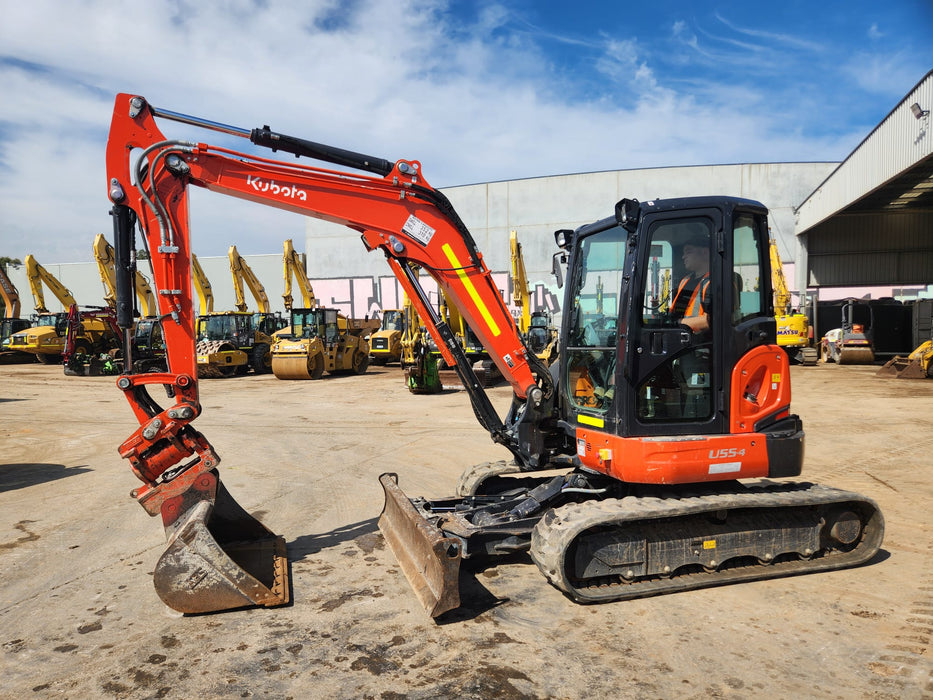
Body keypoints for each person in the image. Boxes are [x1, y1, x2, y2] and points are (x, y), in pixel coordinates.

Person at [671, 234, 710, 332]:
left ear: (705, 253)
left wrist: (678, 323)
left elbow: (710, 320)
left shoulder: (715, 282)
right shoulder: (685, 281)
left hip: (703, 342)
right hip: (682, 336)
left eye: (688, 252)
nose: (683, 257)